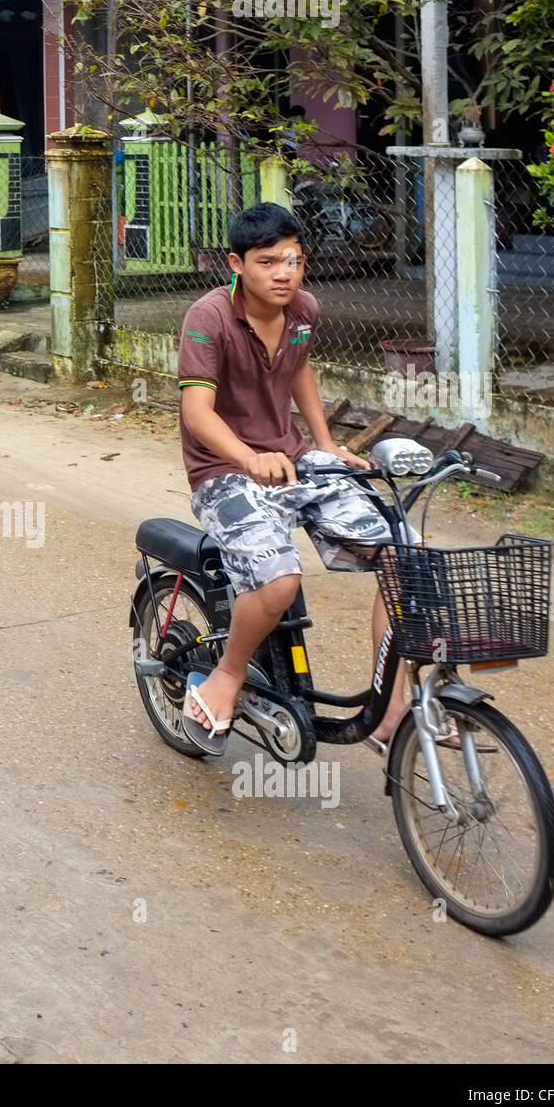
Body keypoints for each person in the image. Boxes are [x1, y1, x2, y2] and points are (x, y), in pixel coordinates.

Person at [177, 202, 410, 755]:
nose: (284, 273)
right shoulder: (207, 318)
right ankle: (228, 675)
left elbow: (298, 365)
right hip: (222, 470)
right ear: (236, 263)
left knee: (407, 557)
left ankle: (392, 708)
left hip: (293, 459)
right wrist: (246, 456)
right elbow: (197, 414)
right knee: (280, 581)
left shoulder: (303, 308)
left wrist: (326, 447)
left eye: (295, 260)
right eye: (268, 262)